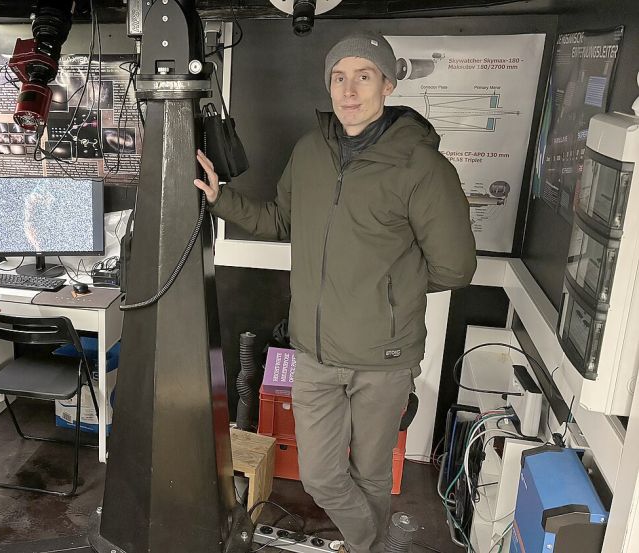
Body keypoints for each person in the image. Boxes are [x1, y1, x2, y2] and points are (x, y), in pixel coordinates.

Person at [195, 32, 476, 553]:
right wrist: (220, 199)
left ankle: (365, 546)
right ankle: (372, 543)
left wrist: (384, 295)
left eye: (364, 76)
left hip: (382, 359)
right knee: (322, 476)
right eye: (339, 77)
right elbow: (281, 220)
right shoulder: (310, 152)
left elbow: (456, 268)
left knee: (371, 477)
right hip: (316, 353)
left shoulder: (421, 167)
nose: (350, 91)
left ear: (388, 84)